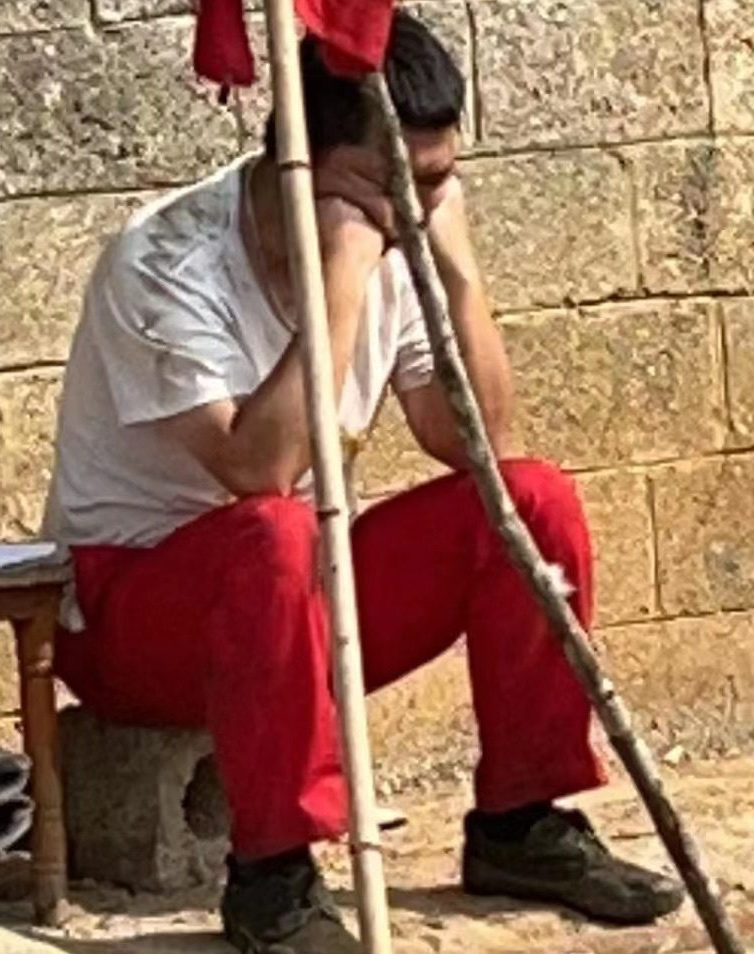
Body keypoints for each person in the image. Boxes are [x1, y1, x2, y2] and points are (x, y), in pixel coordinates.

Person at [44, 11, 684, 952]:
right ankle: (274, 880)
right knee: (274, 530)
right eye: (392, 185)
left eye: (437, 180)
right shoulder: (166, 262)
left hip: (298, 593)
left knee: (532, 499)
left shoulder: (404, 236)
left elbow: (478, 442)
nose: (411, 211)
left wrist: (457, 272)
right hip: (131, 613)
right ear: (301, 166)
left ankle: (522, 823)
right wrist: (341, 267)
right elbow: (259, 468)